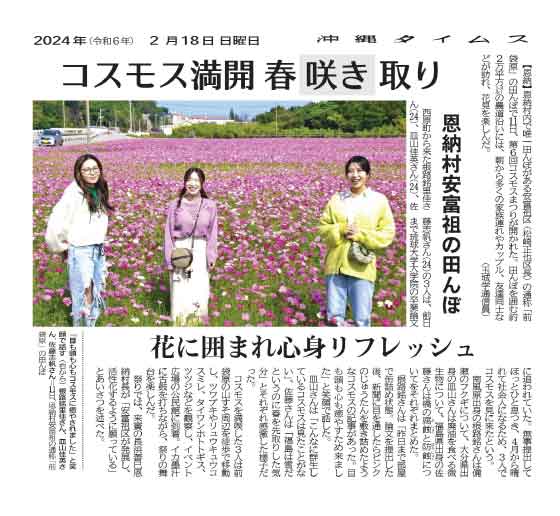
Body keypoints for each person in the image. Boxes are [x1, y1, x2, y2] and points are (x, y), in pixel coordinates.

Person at [318, 155, 395, 326]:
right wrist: (340, 229)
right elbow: (323, 229)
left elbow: (387, 233)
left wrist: (360, 235)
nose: (355, 175)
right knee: (334, 318)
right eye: (350, 171)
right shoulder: (336, 199)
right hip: (336, 265)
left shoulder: (378, 201)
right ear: (346, 175)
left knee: (361, 319)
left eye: (359, 171)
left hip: (361, 266)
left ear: (368, 174)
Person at [45, 154, 113, 326]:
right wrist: (61, 247)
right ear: (79, 172)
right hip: (81, 250)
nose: (92, 172)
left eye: (95, 169)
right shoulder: (73, 192)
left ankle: (90, 325)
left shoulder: (100, 188)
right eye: (87, 170)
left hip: (97, 249)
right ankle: (81, 330)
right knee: (84, 293)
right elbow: (57, 220)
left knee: (95, 291)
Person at [164, 167, 218, 325]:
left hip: (201, 249)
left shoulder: (210, 205)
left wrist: (211, 255)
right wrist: (169, 258)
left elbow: (213, 232)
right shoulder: (175, 204)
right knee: (180, 288)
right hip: (180, 250)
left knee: (199, 288)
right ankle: (180, 323)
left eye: (196, 180)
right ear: (184, 182)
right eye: (189, 180)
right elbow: (168, 231)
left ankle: (198, 323)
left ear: (202, 184)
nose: (192, 184)